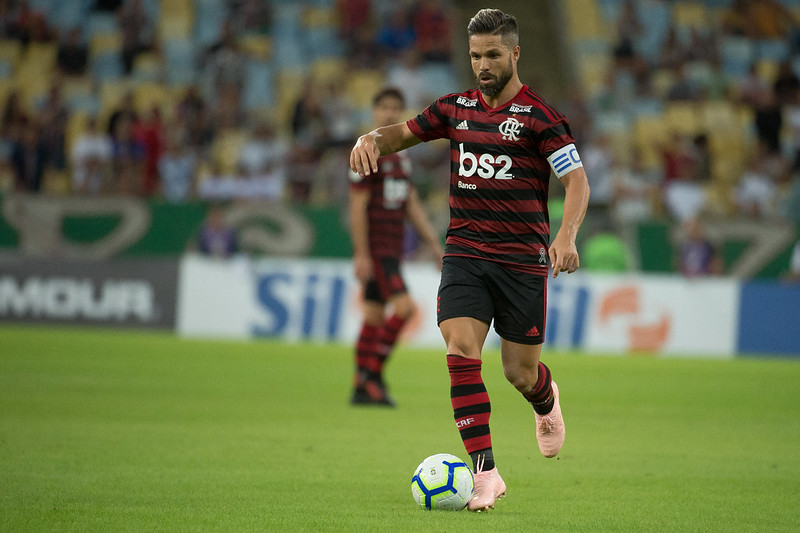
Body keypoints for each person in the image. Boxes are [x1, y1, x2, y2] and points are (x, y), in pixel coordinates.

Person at [349, 9, 590, 511]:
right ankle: (485, 474)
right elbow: (402, 134)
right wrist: (369, 138)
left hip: (521, 261)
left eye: (493, 55)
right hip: (465, 253)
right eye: (476, 55)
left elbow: (576, 181)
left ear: (515, 54)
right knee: (460, 349)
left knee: (519, 373)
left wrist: (566, 236)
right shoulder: (453, 109)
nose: (483, 64)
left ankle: (546, 400)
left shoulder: (541, 117)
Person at [349, 87, 443, 407]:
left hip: (392, 247)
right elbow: (357, 206)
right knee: (406, 310)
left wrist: (433, 244)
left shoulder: (401, 155)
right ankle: (371, 377)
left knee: (374, 316)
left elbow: (411, 202)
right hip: (378, 250)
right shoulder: (366, 152)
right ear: (373, 112)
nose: (389, 114)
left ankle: (359, 384)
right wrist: (361, 253)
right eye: (383, 107)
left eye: (395, 108)